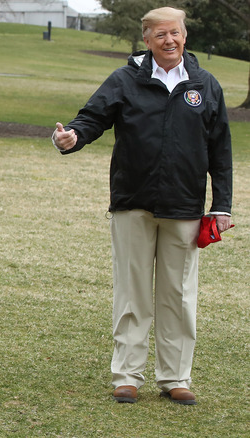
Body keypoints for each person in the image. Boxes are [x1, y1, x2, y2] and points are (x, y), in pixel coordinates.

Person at [52, 7, 232, 406]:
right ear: (147, 41)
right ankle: (127, 376)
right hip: (132, 203)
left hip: (184, 207)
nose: (170, 41)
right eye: (161, 35)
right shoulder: (125, 80)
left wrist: (222, 205)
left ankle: (175, 378)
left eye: (176, 33)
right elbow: (91, 118)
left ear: (185, 37)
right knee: (132, 294)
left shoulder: (205, 84)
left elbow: (221, 150)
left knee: (179, 296)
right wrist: (73, 137)